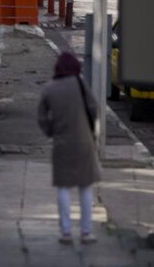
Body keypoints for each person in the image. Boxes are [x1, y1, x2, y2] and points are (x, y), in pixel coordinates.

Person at [36, 52, 101, 245]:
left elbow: (41, 117)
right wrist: (92, 130)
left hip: (61, 142)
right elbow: (94, 108)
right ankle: (86, 232)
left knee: (63, 187)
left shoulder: (49, 88)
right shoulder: (80, 83)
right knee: (85, 187)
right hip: (84, 142)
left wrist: (51, 131)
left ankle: (66, 232)